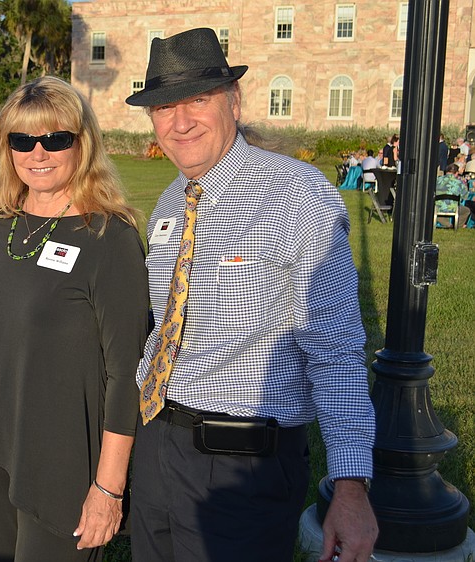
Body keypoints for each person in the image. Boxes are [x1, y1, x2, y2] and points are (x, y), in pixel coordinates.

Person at [124, 28, 378, 562]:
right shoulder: (169, 203)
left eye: (198, 99)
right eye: (164, 107)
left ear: (233, 102)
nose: (180, 121)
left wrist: (351, 486)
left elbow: (335, 350)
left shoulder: (298, 196)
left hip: (241, 469)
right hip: (156, 449)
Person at [0, 76, 149, 562]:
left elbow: (127, 375)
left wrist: (109, 488)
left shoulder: (110, 238)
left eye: (55, 139)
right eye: (22, 139)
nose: (38, 153)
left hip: (62, 464)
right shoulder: (2, 223)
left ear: (83, 143)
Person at [435, 163, 472, 228]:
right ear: (456, 173)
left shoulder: (437, 180)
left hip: (438, 207)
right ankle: (456, 225)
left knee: (434, 209)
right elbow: (465, 197)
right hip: (453, 207)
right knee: (467, 211)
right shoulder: (459, 183)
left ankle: (447, 224)